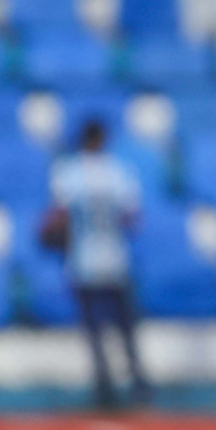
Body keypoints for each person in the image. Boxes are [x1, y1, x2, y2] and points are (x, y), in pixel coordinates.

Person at [46, 120, 150, 409]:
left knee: (95, 332)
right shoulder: (118, 171)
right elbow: (131, 218)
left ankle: (105, 392)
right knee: (126, 331)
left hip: (84, 261)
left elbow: (59, 217)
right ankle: (139, 388)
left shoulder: (68, 172)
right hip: (116, 260)